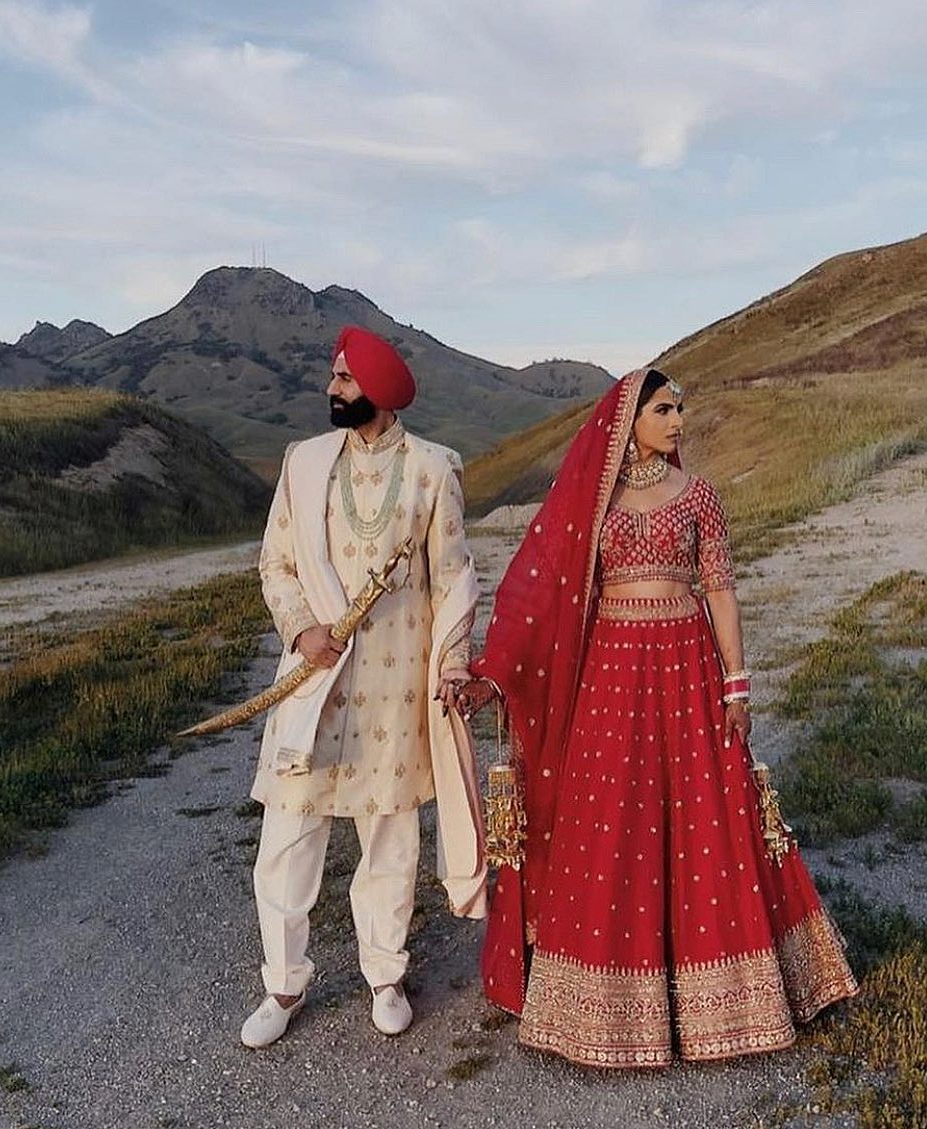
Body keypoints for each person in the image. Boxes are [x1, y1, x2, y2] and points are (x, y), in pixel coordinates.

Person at [456, 368, 858, 1068]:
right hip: (611, 678)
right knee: (614, 819)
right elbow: (542, 592)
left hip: (687, 667)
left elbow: (720, 590)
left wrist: (737, 685)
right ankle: (606, 1009)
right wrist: (496, 671)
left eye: (680, 409)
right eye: (664, 409)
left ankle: (729, 1000)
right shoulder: (592, 500)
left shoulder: (698, 494)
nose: (678, 421)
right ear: (628, 421)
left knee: (705, 814)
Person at [240, 325, 486, 1049]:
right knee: (287, 836)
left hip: (394, 684)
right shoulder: (304, 463)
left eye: (344, 378)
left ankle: (385, 975)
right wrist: (300, 629)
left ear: (375, 388)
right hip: (314, 680)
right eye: (334, 375)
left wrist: (452, 663)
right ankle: (284, 984)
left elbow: (453, 577)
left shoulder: (434, 468)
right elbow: (275, 563)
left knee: (389, 836)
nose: (332, 388)